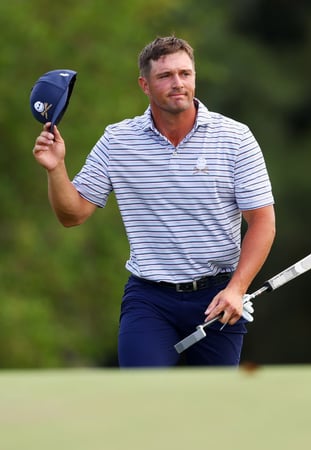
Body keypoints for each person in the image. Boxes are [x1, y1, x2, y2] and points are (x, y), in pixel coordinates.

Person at [31, 36, 276, 367]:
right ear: (144, 85)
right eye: (165, 76)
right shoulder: (118, 141)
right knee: (141, 401)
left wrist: (237, 288)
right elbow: (72, 214)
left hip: (218, 297)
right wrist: (56, 168)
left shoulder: (234, 138)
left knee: (215, 410)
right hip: (149, 300)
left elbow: (262, 220)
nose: (178, 83)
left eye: (185, 74)